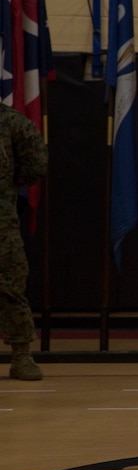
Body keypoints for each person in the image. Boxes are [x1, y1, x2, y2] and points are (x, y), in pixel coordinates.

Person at [1, 104, 47, 381]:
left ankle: (21, 355)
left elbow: (36, 162)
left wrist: (7, 187)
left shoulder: (11, 122)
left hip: (1, 218)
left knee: (9, 283)